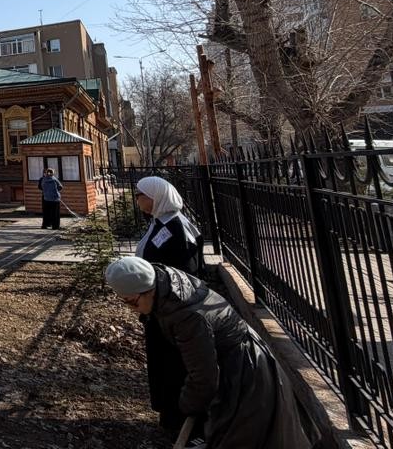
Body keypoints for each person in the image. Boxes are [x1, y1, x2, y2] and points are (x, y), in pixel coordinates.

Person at [105, 257, 311, 448]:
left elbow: (204, 378)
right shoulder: (165, 281)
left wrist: (186, 406)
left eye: (132, 302)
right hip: (235, 361)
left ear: (148, 289)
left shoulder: (188, 318)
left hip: (245, 374)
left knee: (244, 438)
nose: (131, 309)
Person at [133, 175, 206, 435]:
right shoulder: (161, 222)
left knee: (174, 364)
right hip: (159, 306)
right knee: (164, 363)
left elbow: (185, 271)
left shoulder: (176, 228)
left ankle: (183, 422)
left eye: (140, 195)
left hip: (172, 309)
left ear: (156, 198)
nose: (137, 200)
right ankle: (170, 416)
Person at [135, 176, 202, 275]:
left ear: (154, 196)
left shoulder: (176, 227)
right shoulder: (160, 220)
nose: (137, 200)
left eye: (137, 195)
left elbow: (188, 269)